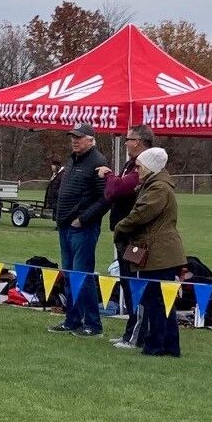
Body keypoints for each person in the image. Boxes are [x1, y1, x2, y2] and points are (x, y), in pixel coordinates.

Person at [112, 147, 186, 357]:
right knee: (163, 301)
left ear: (150, 167)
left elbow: (140, 214)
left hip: (159, 253)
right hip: (160, 251)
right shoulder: (154, 185)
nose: (137, 170)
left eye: (139, 166)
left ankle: (156, 346)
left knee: (155, 300)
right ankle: (169, 346)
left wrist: (120, 227)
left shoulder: (158, 188)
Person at [94, 125, 156, 348]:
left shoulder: (144, 165)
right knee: (127, 283)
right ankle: (130, 331)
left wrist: (109, 175)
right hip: (124, 235)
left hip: (135, 238)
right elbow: (112, 191)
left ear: (138, 141)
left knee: (135, 286)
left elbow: (118, 189)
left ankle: (136, 335)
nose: (126, 142)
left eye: (128, 139)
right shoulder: (132, 164)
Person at [47, 123, 108, 337]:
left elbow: (105, 199)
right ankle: (72, 319)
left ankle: (93, 323)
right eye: (73, 136)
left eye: (79, 137)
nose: (74, 140)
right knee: (70, 274)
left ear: (91, 140)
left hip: (83, 228)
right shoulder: (72, 160)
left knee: (83, 275)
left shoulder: (97, 162)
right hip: (65, 225)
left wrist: (83, 219)